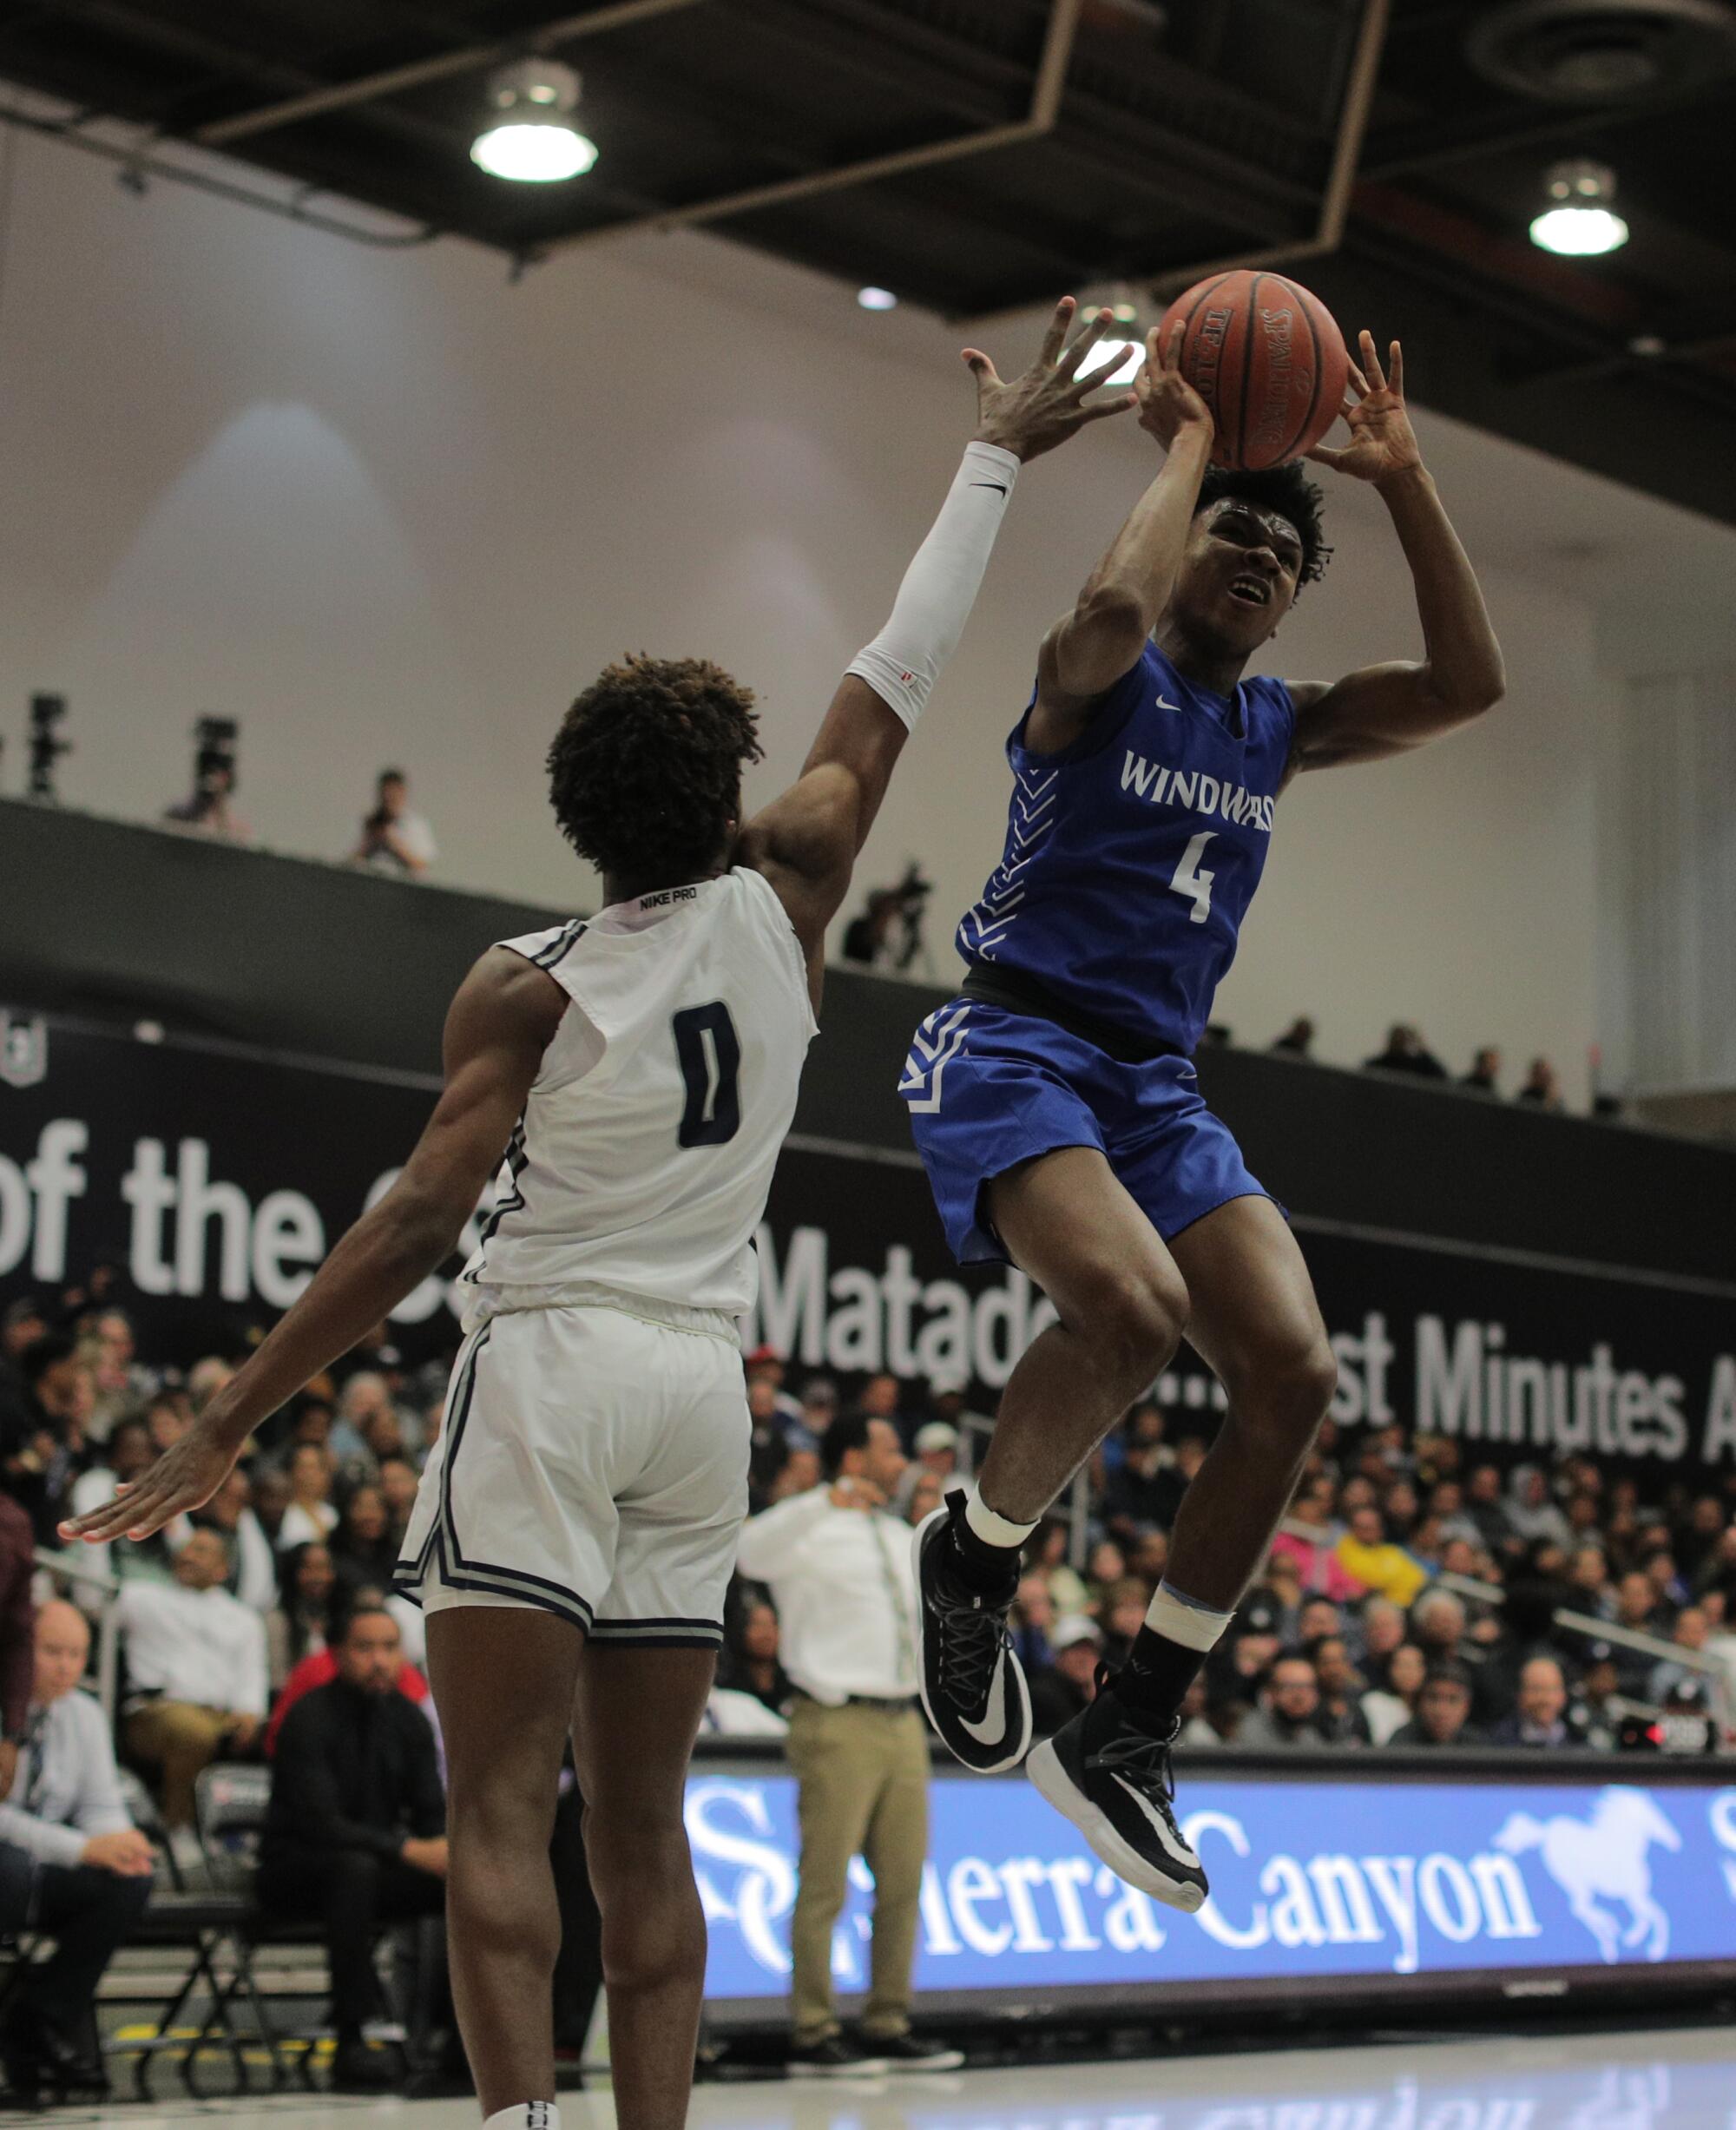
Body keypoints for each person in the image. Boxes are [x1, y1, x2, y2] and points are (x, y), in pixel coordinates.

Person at [65, 301, 1129, 2130]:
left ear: (577, 821)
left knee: (498, 1811)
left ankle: (518, 2126)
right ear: (726, 794)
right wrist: (996, 459)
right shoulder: (791, 889)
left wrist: (233, 1413)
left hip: (550, 1370)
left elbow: (408, 1230)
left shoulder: (526, 986)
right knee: (647, 1840)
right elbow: (899, 670)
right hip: (698, 1396)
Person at [899, 324, 1503, 1909]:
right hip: (1016, 1037)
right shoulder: (1104, 676)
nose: (1257, 553)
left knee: (1296, 1367)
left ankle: (1134, 1716)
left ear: (1301, 594)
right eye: (1235, 529)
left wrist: (1408, 480)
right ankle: (972, 1556)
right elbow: (1105, 602)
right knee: (1136, 1308)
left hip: (1158, 1084)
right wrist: (1185, 442)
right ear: (1189, 550)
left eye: (1285, 549)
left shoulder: (1283, 726)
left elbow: (1468, 684)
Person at [734, 1410, 961, 2073]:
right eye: (891, 1451)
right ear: (855, 1456)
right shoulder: (807, 1528)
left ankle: (889, 2020)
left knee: (902, 1882)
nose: (902, 1464)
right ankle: (812, 2028)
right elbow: (747, 1554)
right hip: (835, 1719)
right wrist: (819, 1501)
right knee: (825, 1882)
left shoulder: (897, 1534)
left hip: (903, 1720)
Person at [258, 1602, 450, 2091]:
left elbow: (431, 1813)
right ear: (337, 1653)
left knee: (467, 1881)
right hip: (294, 1869)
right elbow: (321, 1825)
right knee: (353, 1869)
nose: (381, 1661)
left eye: (390, 1648)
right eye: (366, 1648)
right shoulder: (309, 1717)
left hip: (372, 1866)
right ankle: (355, 2034)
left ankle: (455, 2030)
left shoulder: (409, 1720)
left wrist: (448, 1852)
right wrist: (411, 1851)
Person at [0, 1602, 155, 2099]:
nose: (66, 1666)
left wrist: (121, 1842)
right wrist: (85, 1848)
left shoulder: (84, 1713)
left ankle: (39, 2018)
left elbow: (100, 1804)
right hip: (9, 1866)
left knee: (131, 1880)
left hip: (43, 1865)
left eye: (76, 1654)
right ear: (22, 1652)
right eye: (52, 1652)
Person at [115, 1528, 269, 1834]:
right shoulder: (142, 1597)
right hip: (155, 1711)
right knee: (194, 1732)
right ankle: (178, 1829)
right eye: (185, 1549)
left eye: (200, 1551)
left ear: (222, 1569)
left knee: (282, 1734)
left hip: (222, 1715)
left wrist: (250, 1711)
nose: (187, 1556)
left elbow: (252, 1674)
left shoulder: (243, 1619)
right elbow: (92, 1600)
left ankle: (250, 1838)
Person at [352, 767, 437, 877]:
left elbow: (422, 866)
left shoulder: (416, 825)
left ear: (402, 793)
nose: (389, 798)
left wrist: (395, 844)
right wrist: (370, 842)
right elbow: (349, 861)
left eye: (393, 794)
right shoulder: (367, 822)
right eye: (385, 793)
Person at [1029, 1615, 1105, 1735]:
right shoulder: (1043, 1694)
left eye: (1090, 1651)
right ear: (1058, 1656)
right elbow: (1073, 1744)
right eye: (1076, 1651)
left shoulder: (1084, 1692)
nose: (1084, 1659)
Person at [1489, 1654, 1584, 1748]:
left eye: (1551, 1689)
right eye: (1535, 1689)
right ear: (1520, 1695)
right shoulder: (1499, 1742)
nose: (1544, 1699)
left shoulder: (1580, 1739)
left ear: (1563, 1695)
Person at [1236, 1653, 1328, 1748]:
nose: (1299, 1696)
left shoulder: (1310, 1737)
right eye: (1289, 1687)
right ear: (1270, 1694)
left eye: (1307, 1688)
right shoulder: (1249, 1736)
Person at [1387, 1660, 1482, 1747]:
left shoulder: (1480, 1747)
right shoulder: (1400, 1744)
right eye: (1433, 1698)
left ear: (1466, 1706)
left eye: (1452, 1700)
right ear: (1421, 1701)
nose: (1441, 1710)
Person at [1363, 1024, 1448, 1078]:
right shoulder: (1378, 1065)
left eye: (1403, 1039)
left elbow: (1442, 1078)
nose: (1399, 1041)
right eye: (1396, 1038)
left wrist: (1422, 1049)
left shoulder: (1419, 1066)